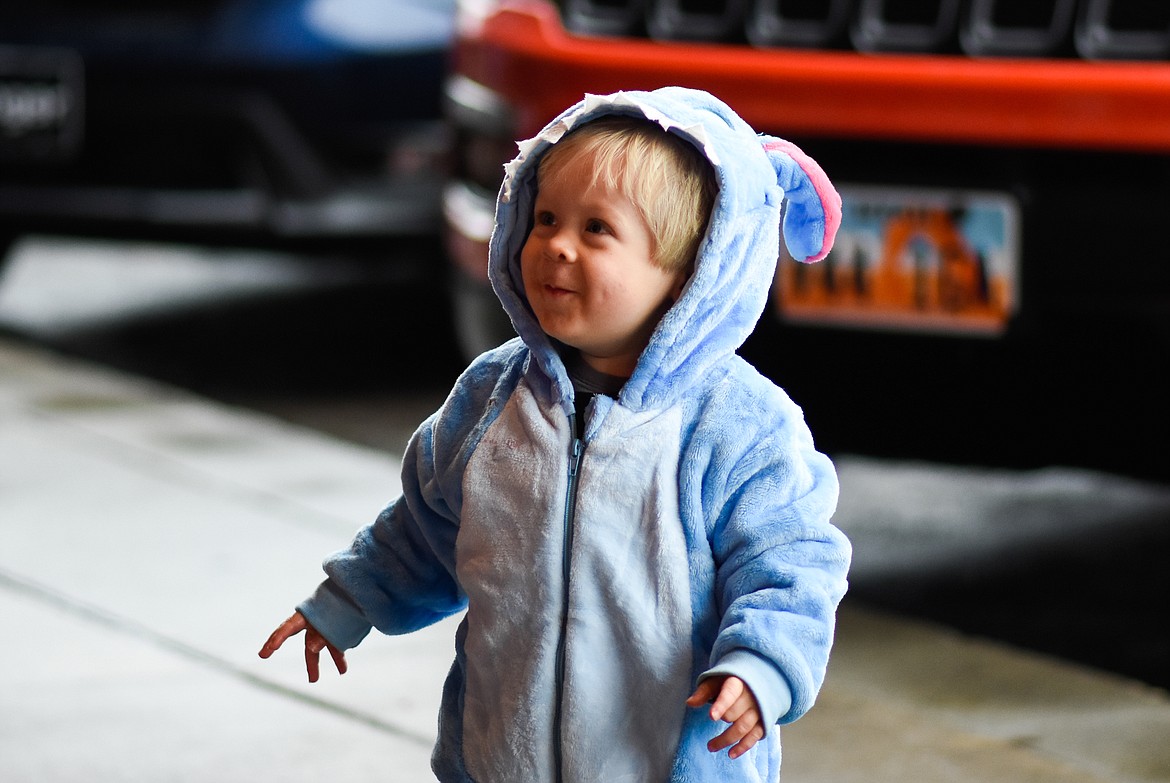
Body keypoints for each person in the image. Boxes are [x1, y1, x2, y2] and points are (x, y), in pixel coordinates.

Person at [260, 86, 851, 783]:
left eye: (596, 229)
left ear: (691, 271)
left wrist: (763, 667)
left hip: (665, 761)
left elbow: (791, 565)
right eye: (544, 218)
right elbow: (426, 526)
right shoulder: (491, 398)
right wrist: (349, 598)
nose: (556, 248)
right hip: (499, 758)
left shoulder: (736, 426)